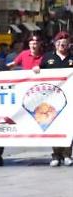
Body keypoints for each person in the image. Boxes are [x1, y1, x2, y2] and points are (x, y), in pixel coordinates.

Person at [41, 32, 73, 167]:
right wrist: (36, 70)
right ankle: (56, 155)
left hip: (70, 98)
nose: (62, 45)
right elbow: (40, 74)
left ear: (69, 44)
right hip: (52, 98)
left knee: (68, 126)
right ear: (55, 44)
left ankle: (67, 155)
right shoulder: (48, 57)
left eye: (64, 43)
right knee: (54, 126)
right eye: (59, 43)